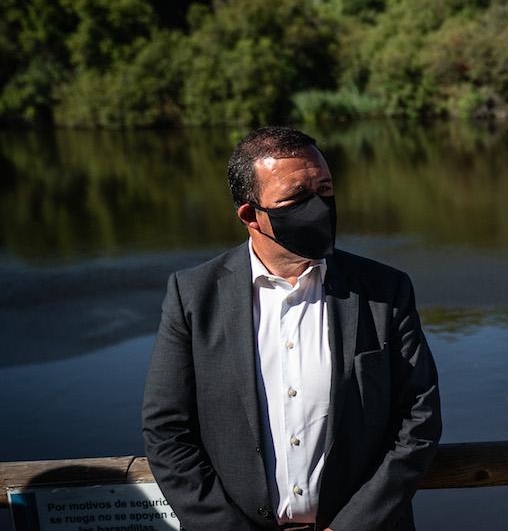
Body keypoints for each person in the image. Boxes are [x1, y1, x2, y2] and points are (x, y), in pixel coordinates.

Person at [142, 127, 441, 531]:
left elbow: (418, 418)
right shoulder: (193, 296)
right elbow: (167, 431)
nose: (318, 207)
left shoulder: (384, 290)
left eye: (325, 190)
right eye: (297, 198)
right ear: (250, 215)